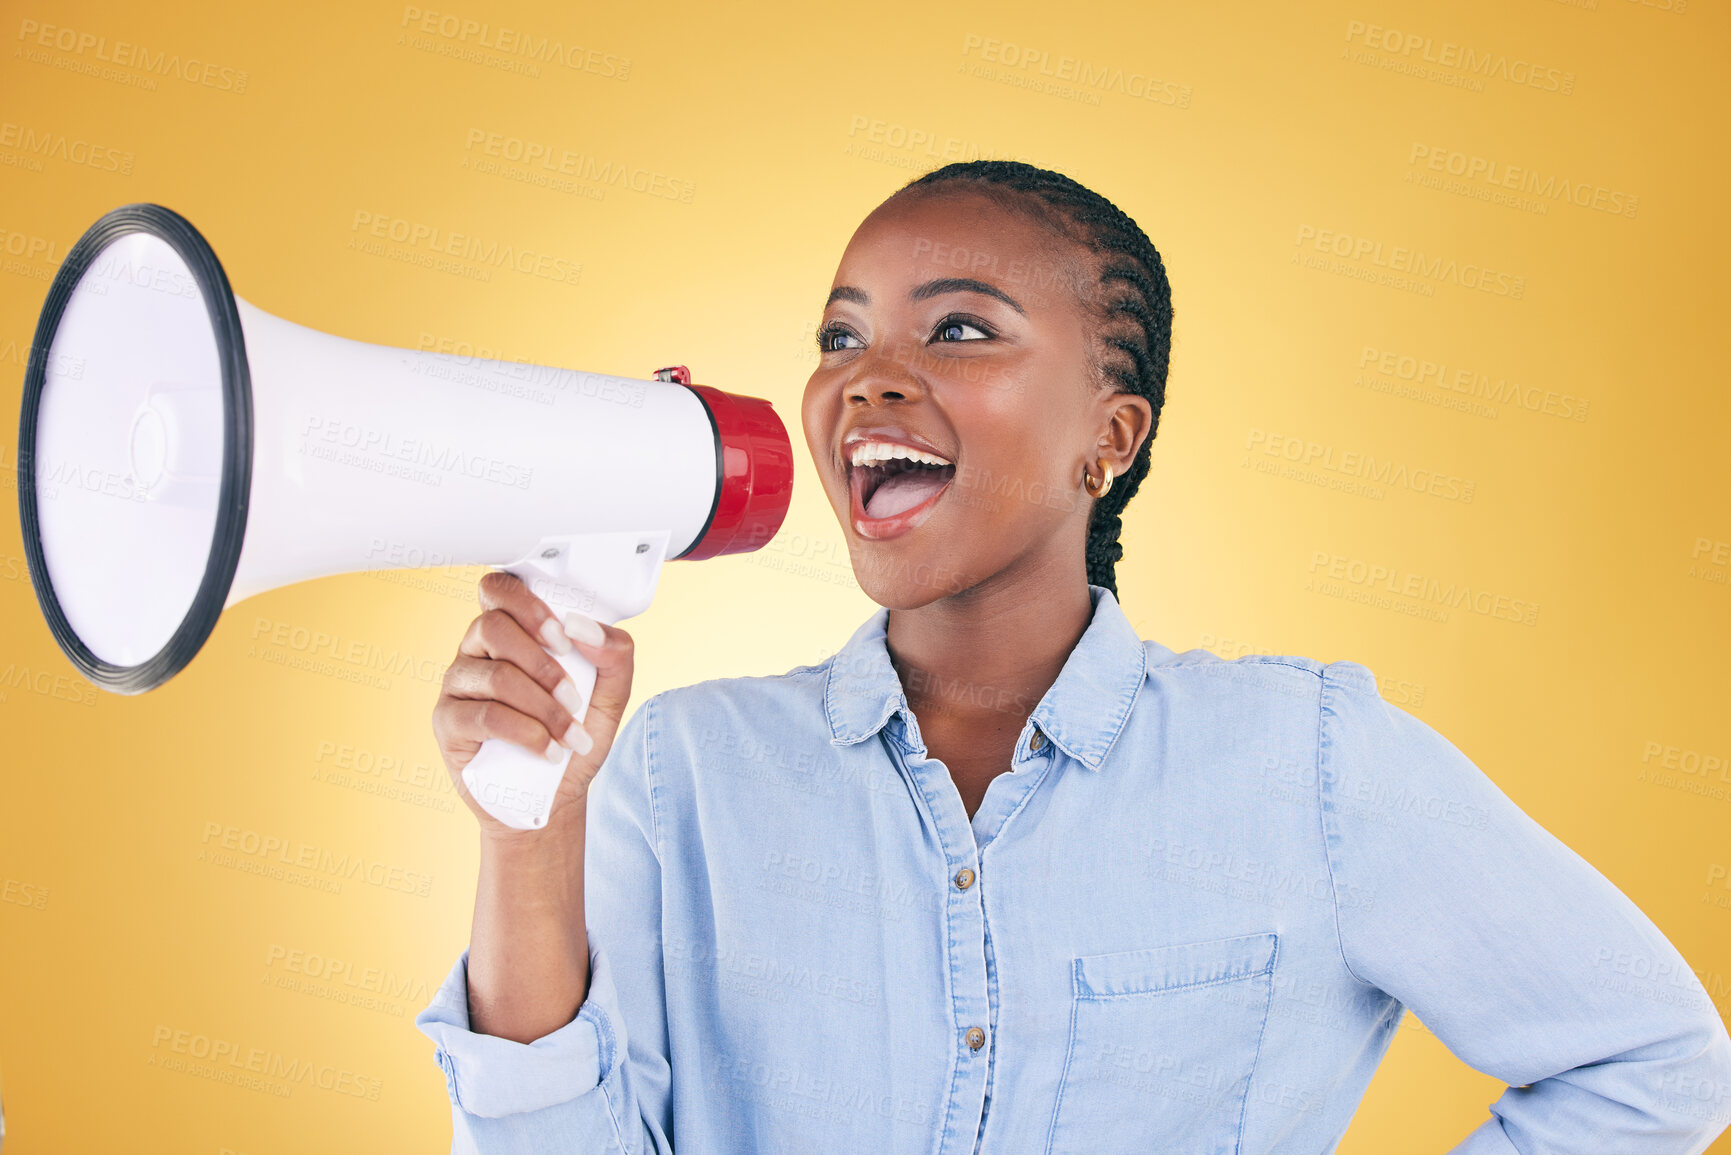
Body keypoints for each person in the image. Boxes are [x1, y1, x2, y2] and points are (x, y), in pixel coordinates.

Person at [416, 161, 1731, 1154]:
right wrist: (533, 826)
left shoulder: (1309, 764)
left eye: (962, 328)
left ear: (1110, 435)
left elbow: (1654, 1060)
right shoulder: (684, 775)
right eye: (839, 336)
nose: (866, 377)